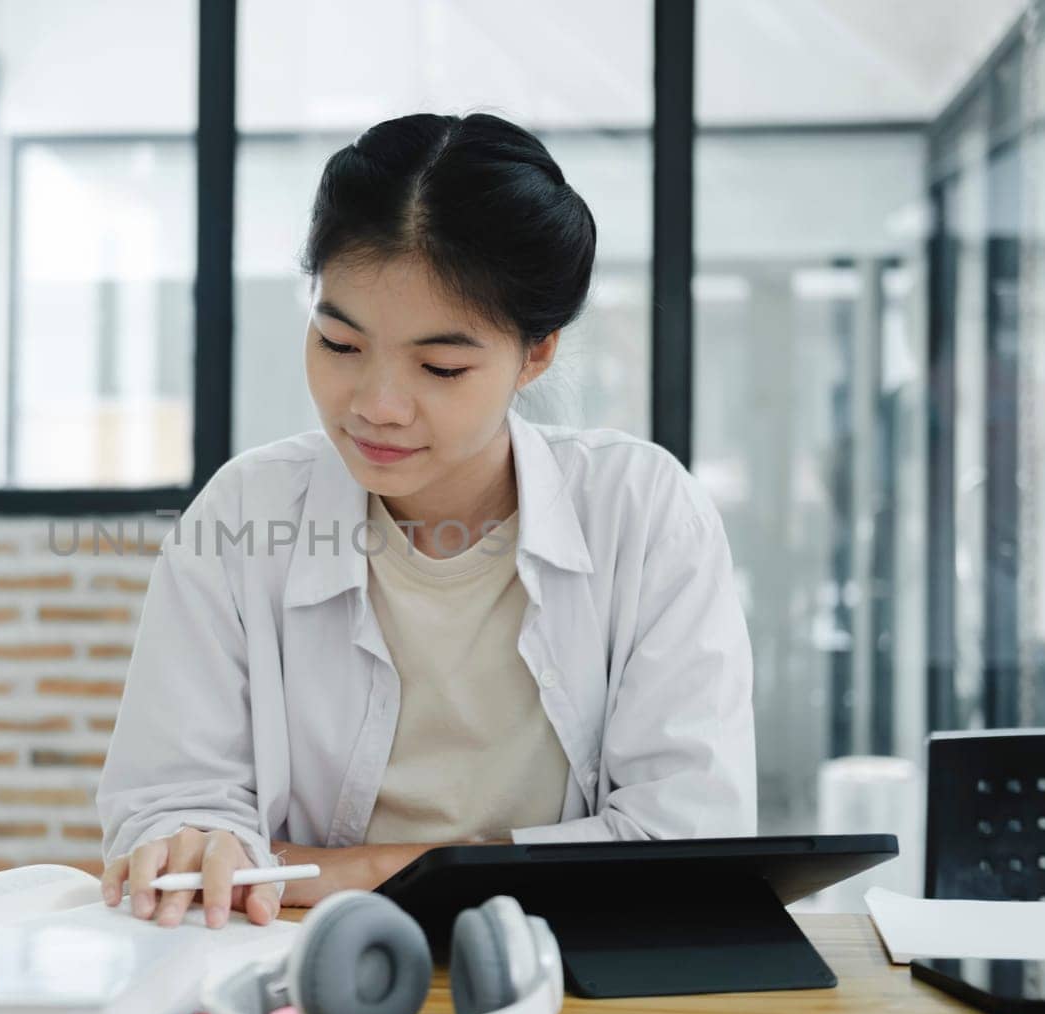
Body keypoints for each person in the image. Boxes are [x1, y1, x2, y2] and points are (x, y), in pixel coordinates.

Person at [95, 112, 756, 930]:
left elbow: (684, 843)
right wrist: (191, 841)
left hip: (571, 972)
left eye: (440, 365)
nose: (376, 406)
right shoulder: (242, 515)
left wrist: (374, 869)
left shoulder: (644, 511)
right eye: (339, 344)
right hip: (294, 967)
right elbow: (170, 802)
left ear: (537, 350)